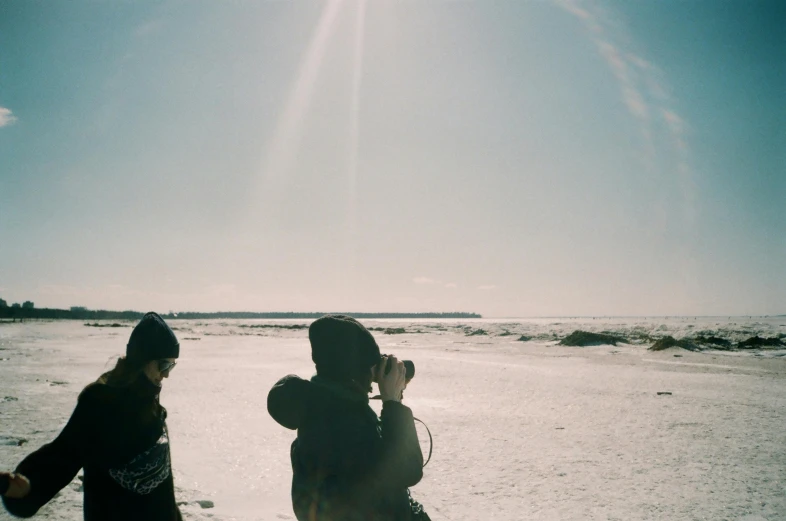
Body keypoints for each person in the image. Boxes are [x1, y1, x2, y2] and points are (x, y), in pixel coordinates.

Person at [1, 311, 183, 521]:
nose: (167, 374)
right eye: (164, 365)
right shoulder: (101, 405)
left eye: (172, 366)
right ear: (142, 360)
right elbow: (63, 454)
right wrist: (27, 488)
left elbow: (163, 486)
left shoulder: (151, 403)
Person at [267, 314, 429, 521]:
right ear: (356, 369)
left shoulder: (320, 408)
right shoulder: (344, 421)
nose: (376, 372)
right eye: (373, 364)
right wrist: (393, 404)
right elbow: (407, 470)